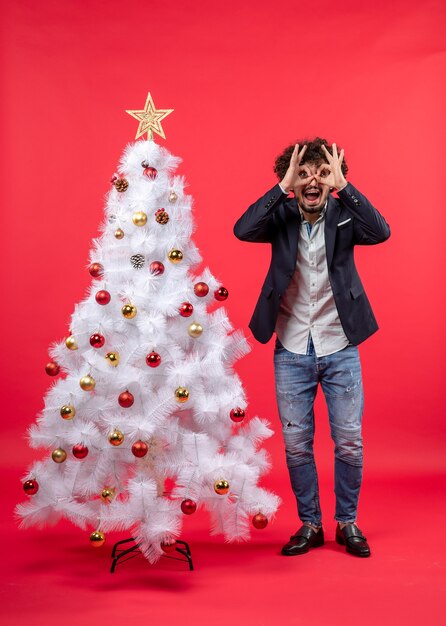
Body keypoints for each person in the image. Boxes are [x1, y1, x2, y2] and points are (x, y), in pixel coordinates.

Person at [233, 138, 390, 558]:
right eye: (303, 173)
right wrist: (282, 185)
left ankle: (347, 523)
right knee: (298, 443)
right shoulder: (281, 214)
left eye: (321, 172)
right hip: (291, 346)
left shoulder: (344, 214)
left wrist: (345, 186)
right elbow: (242, 228)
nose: (312, 180)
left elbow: (382, 230)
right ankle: (310, 524)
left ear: (332, 178)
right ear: (292, 181)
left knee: (350, 440)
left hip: (340, 343)